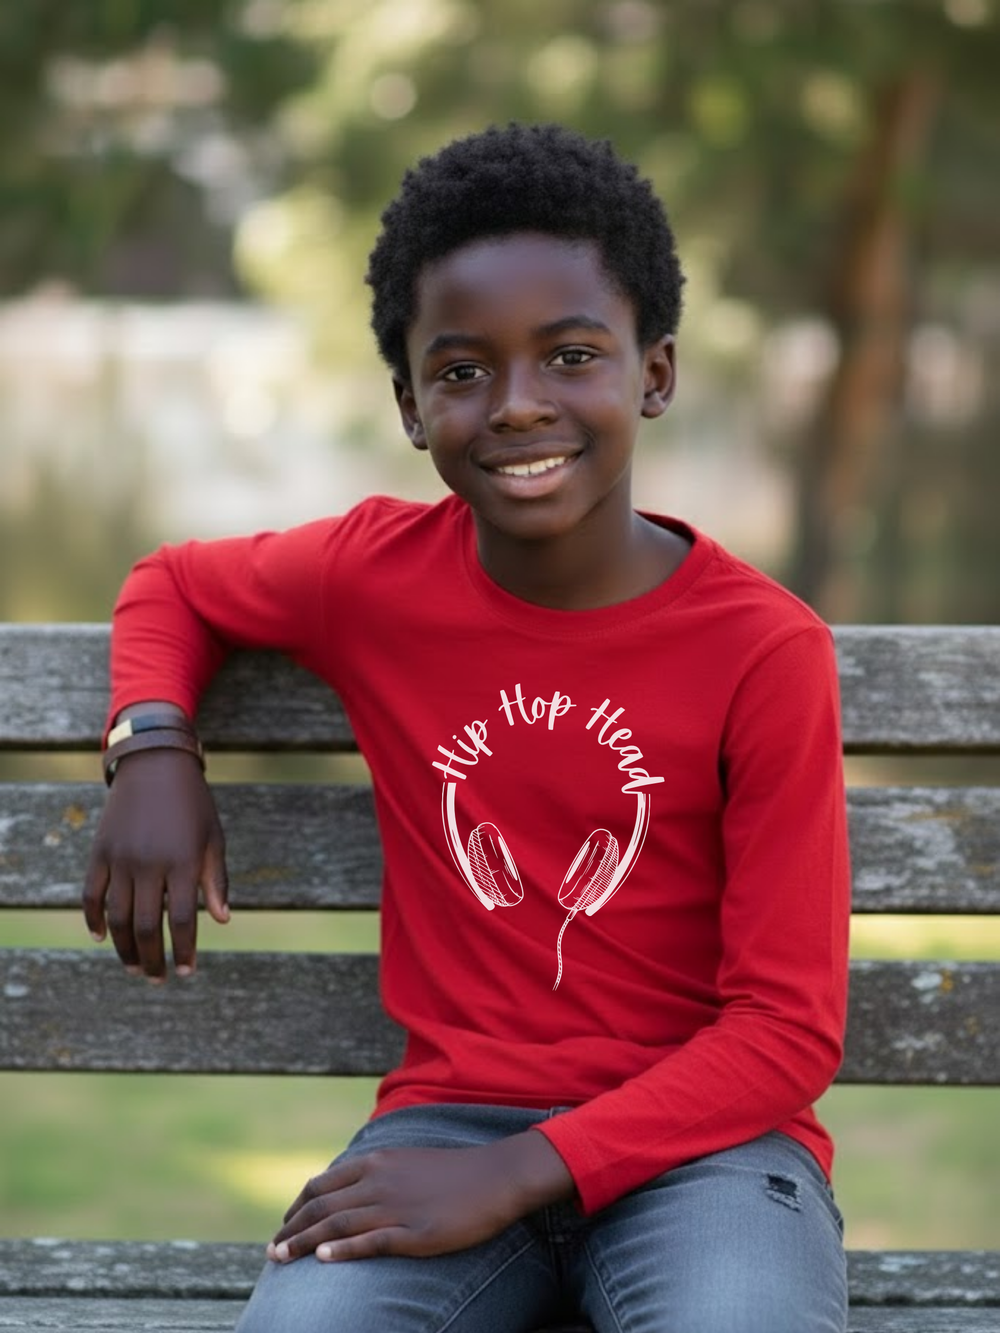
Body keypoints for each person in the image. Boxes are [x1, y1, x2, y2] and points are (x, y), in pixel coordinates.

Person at [83, 123, 850, 1333]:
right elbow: (170, 584)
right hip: (447, 1126)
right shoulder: (373, 576)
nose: (518, 405)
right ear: (409, 404)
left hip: (705, 1151)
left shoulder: (763, 649)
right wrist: (154, 746)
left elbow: (783, 1035)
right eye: (461, 371)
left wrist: (515, 1174)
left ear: (654, 373)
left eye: (571, 356)